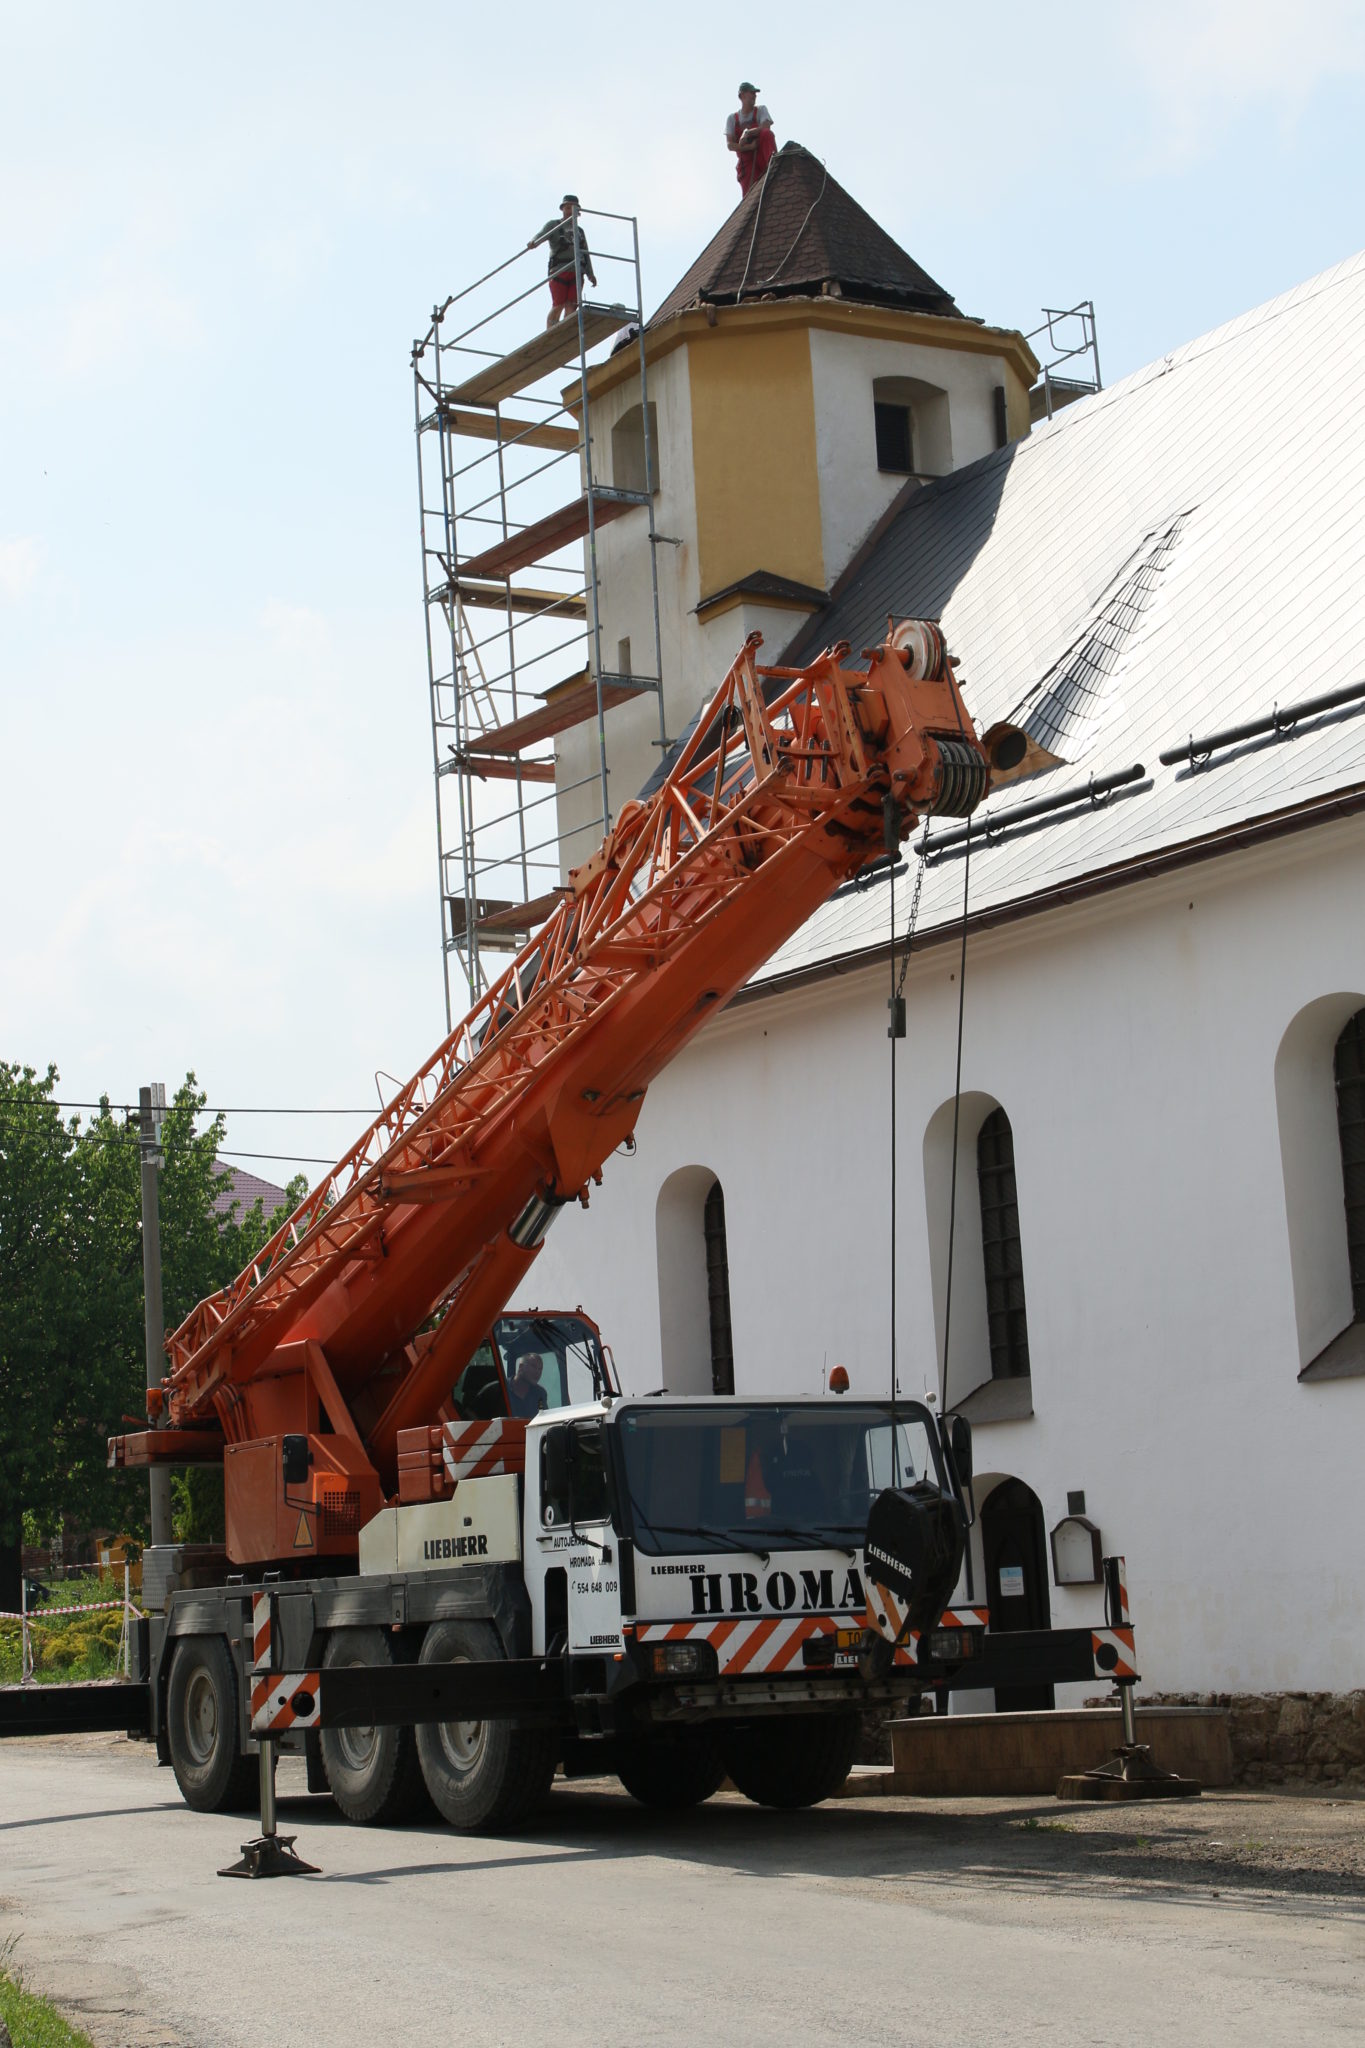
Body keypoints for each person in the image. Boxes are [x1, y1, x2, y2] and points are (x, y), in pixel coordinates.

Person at [527, 196, 597, 330]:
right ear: (563, 209)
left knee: (572, 304)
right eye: (567, 207)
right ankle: (551, 331)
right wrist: (534, 242)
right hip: (559, 270)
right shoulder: (554, 225)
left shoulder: (580, 231)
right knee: (558, 304)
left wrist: (590, 273)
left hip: (577, 271)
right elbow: (541, 234)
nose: (570, 211)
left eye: (573, 208)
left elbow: (585, 253)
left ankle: (566, 330)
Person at [725, 83, 775, 198]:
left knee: (766, 134)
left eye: (755, 93)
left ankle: (773, 164)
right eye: (751, 93)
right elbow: (730, 145)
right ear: (742, 96)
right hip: (746, 163)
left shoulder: (761, 110)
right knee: (750, 198)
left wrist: (748, 133)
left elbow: (766, 127)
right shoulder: (732, 119)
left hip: (762, 154)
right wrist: (749, 147)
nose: (754, 96)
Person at [507, 1351, 549, 1418]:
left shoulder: (540, 1393)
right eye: (533, 1366)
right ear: (521, 1367)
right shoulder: (500, 1388)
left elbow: (544, 1418)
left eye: (540, 1369)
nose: (537, 1372)